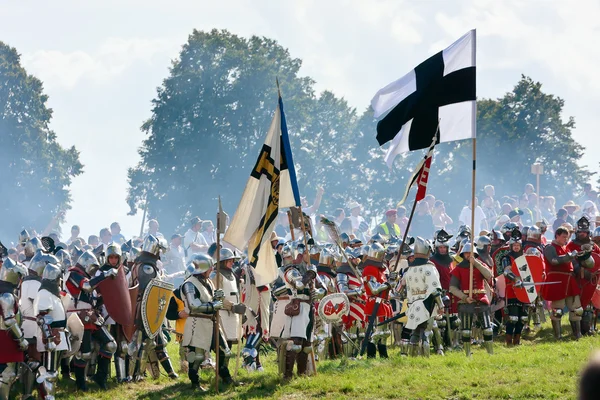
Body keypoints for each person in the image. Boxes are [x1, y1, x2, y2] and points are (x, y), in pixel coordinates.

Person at [65, 251, 118, 391]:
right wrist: (104, 275)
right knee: (84, 354)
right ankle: (80, 384)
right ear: (87, 264)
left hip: (92, 316)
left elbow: (94, 297)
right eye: (93, 267)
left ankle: (100, 377)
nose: (93, 270)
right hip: (79, 317)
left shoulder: (86, 277)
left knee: (111, 345)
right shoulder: (73, 274)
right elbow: (86, 287)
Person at [180, 253, 227, 392]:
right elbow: (194, 305)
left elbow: (211, 298)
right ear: (202, 269)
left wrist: (218, 297)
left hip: (211, 323)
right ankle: (195, 382)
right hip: (197, 322)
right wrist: (213, 306)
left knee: (224, 351)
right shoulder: (189, 284)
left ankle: (225, 377)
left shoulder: (208, 282)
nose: (212, 270)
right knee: (198, 356)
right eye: (210, 267)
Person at [448, 243, 494, 356]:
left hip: (481, 299)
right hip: (466, 301)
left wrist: (477, 264)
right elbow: (452, 288)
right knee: (466, 331)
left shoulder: (480, 265)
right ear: (463, 254)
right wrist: (464, 297)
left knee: (487, 329)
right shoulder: (459, 268)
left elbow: (489, 276)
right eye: (467, 253)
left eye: (471, 253)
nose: (469, 255)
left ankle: (490, 353)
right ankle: (468, 354)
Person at [403, 237, 444, 357]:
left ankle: (413, 358)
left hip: (413, 304)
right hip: (427, 304)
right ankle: (425, 360)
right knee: (426, 333)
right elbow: (434, 289)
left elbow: (409, 291)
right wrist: (440, 305)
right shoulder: (429, 268)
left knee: (415, 334)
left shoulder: (409, 270)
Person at [210, 248, 245, 384]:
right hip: (222, 314)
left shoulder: (231, 275)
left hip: (233, 315)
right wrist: (231, 306)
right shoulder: (216, 275)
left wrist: (239, 308)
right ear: (222, 261)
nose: (231, 262)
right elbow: (216, 296)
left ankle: (222, 373)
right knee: (223, 346)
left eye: (232, 260)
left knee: (228, 345)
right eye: (229, 260)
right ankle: (224, 375)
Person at [34, 263, 69, 399]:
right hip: (51, 338)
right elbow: (42, 318)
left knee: (53, 372)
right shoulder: (44, 293)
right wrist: (49, 339)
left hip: (57, 336)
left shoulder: (52, 293)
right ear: (56, 278)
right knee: (49, 373)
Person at [542, 227, 582, 340]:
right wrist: (569, 256)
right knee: (557, 310)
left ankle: (577, 334)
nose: (566, 239)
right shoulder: (550, 247)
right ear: (557, 236)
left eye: (567, 237)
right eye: (564, 237)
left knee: (576, 308)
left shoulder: (565, 248)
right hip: (557, 281)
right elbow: (553, 261)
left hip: (569, 280)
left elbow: (571, 264)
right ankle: (558, 336)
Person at [0, 257, 29, 399]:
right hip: (5, 337)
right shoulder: (6, 295)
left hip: (5, 336)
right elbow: (9, 321)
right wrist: (21, 339)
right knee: (7, 374)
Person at [566, 217, 600, 336]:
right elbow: (569, 260)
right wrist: (581, 271)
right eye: (580, 232)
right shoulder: (571, 245)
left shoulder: (593, 245)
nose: (582, 234)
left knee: (590, 305)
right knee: (577, 305)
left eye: (584, 232)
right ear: (577, 232)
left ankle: (588, 328)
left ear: (588, 232)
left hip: (591, 280)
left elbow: (598, 259)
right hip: (577, 279)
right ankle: (577, 330)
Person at [361, 243, 393, 359]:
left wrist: (391, 282)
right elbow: (374, 289)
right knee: (374, 332)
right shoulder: (369, 269)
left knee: (383, 333)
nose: (384, 257)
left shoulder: (381, 271)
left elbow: (385, 286)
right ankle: (371, 356)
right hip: (374, 304)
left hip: (382, 304)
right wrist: (387, 285)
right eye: (383, 254)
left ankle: (384, 356)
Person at [501, 233, 528, 346]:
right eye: (514, 245)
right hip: (512, 288)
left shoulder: (525, 257)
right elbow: (507, 272)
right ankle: (508, 341)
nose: (516, 247)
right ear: (511, 246)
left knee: (523, 317)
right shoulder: (506, 258)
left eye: (518, 245)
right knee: (513, 318)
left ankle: (517, 341)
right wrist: (516, 280)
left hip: (525, 289)